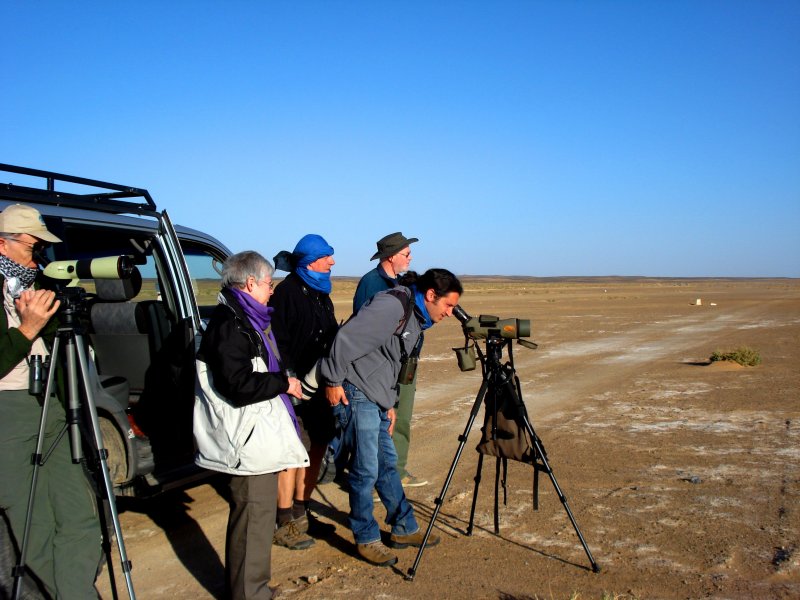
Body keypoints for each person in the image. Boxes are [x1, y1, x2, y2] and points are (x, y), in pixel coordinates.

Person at [319, 268, 463, 566]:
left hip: (376, 396)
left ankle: (404, 528)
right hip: (357, 392)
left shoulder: (413, 314)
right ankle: (366, 537)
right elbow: (346, 339)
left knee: (386, 466)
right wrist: (332, 381)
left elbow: (389, 361)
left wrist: (390, 403)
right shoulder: (392, 306)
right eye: (448, 305)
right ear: (431, 295)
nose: (450, 312)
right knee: (365, 470)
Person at [0, 204, 102, 598]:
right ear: (4, 243)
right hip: (10, 412)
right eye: (33, 242)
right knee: (33, 522)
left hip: (51, 402)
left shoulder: (37, 282)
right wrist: (26, 329)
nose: (40, 250)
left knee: (79, 512)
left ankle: (78, 594)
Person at [194, 251, 308, 600]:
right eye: (269, 284)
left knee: (257, 517)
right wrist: (282, 384)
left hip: (254, 435)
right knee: (254, 517)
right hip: (245, 440)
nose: (272, 291)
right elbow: (239, 385)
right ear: (250, 283)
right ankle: (248, 593)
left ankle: (251, 588)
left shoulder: (245, 318)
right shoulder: (231, 324)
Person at [270, 234, 338, 547]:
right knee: (292, 453)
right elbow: (276, 343)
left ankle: (302, 511)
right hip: (294, 388)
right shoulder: (285, 292)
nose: (332, 262)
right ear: (310, 260)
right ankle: (283, 520)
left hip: (321, 385)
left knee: (317, 447)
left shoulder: (322, 293)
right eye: (327, 257)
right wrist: (289, 380)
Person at [351, 231, 427, 488]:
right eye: (406, 254)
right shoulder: (372, 283)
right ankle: (375, 479)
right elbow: (363, 327)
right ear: (392, 256)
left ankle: (397, 471)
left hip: (404, 362)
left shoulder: (401, 283)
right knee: (379, 420)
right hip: (381, 365)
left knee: (401, 416)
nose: (410, 257)